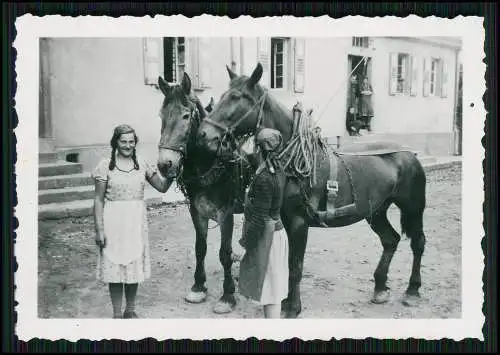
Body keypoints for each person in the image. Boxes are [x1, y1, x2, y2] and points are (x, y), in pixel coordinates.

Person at [92, 124, 174, 319]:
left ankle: (130, 310)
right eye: (123, 142)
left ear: (135, 143)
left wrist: (172, 174)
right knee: (114, 267)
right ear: (116, 143)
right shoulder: (105, 166)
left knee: (132, 265)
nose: (128, 146)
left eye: (131, 141)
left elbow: (161, 187)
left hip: (135, 222)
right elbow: (98, 200)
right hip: (113, 221)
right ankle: (116, 313)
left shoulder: (142, 164)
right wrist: (99, 230)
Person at [238, 128, 289, 319]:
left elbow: (260, 218)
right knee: (271, 291)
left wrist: (244, 246)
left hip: (267, 239)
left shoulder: (265, 178)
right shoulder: (276, 169)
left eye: (253, 144)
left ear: (259, 149)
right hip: (275, 234)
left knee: (270, 292)